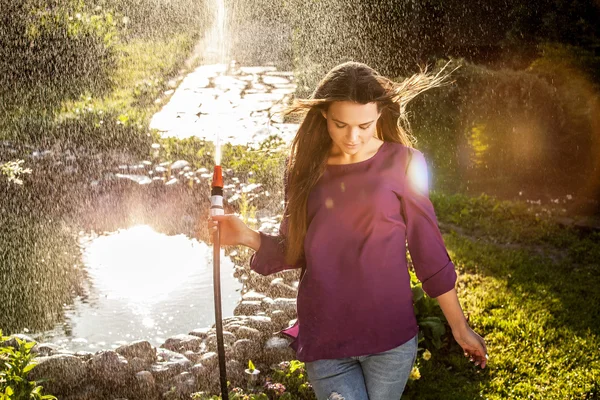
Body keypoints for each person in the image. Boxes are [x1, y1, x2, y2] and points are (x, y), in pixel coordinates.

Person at [208, 61, 488, 400]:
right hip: (326, 340)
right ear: (324, 114)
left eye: (364, 125)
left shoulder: (406, 163)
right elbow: (295, 249)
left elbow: (429, 254)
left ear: (380, 114)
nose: (352, 137)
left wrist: (459, 327)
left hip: (390, 340)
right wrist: (246, 236)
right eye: (341, 124)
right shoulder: (303, 169)